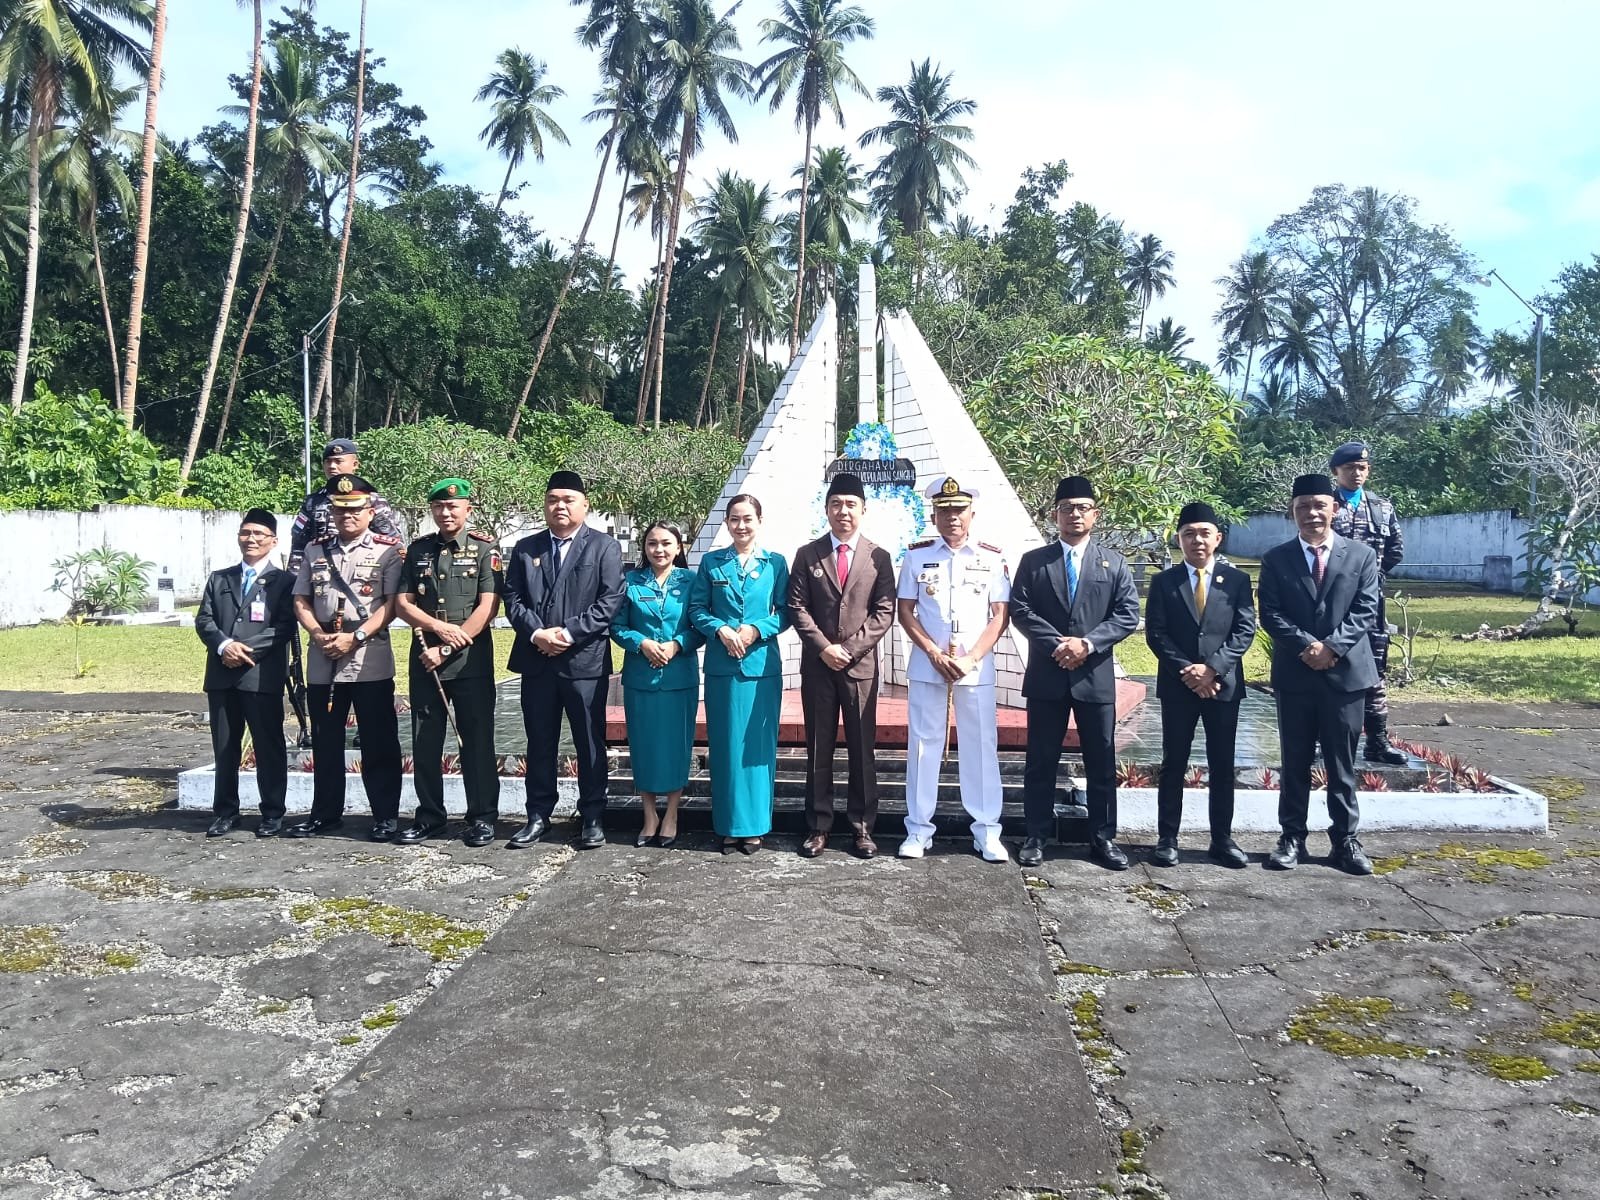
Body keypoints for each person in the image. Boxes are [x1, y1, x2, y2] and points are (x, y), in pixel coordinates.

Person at [1010, 476, 1140, 870]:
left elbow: (1127, 614)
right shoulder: (1035, 561)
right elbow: (1020, 609)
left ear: (1095, 515)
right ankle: (1035, 835)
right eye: (1067, 508)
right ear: (1055, 515)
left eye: (1083, 508)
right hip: (1048, 676)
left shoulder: (1113, 563)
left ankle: (1102, 838)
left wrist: (1086, 643)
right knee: (1041, 759)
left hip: (1094, 677)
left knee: (1100, 759)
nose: (1075, 514)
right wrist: (1058, 644)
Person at [1258, 473, 1382, 876]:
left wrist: (1332, 647)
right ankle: (1291, 836)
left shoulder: (1362, 555)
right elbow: (1271, 613)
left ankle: (1345, 840)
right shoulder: (1276, 559)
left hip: (1345, 676)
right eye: (1302, 507)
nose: (1311, 514)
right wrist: (1306, 646)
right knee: (1294, 761)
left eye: (1318, 505)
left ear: (1335, 508)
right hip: (1296, 676)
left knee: (1341, 763)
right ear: (1291, 512)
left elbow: (1366, 609)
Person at [504, 470, 625, 850]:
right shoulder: (526, 548)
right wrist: (538, 633)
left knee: (590, 742)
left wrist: (568, 633)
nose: (560, 506)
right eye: (553, 499)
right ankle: (538, 815)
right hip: (538, 659)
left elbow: (610, 601)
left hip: (583, 663)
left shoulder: (603, 547)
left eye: (569, 499)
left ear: (584, 504)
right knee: (540, 741)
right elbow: (513, 599)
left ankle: (592, 815)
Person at [895, 476, 1013, 862]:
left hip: (973, 668)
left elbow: (999, 616)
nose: (952, 518)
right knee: (924, 747)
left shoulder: (991, 558)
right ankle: (918, 829)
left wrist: (970, 657)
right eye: (944, 511)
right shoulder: (916, 556)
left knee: (981, 747)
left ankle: (986, 830)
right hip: (929, 666)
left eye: (959, 510)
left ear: (972, 514)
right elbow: (906, 611)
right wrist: (931, 651)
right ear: (933, 514)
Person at [287, 474, 405, 841]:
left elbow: (392, 605)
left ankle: (385, 816)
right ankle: (325, 813)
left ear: (370, 512)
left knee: (378, 741)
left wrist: (354, 636)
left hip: (368, 655)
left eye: (354, 510)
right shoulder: (314, 550)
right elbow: (300, 599)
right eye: (340, 511)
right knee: (324, 740)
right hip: (324, 656)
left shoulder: (387, 551)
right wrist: (319, 634)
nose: (347, 517)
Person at [786, 472, 897, 858]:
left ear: (863, 509)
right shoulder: (808, 553)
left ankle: (863, 827)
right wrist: (823, 648)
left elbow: (884, 611)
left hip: (859, 668)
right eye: (837, 504)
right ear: (827, 509)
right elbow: (796, 607)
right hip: (819, 668)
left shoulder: (878, 557)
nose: (843, 511)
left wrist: (849, 649)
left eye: (851, 504)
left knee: (861, 749)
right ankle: (818, 826)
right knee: (818, 747)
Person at [1142, 502, 1256, 868]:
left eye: (1204, 533)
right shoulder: (1164, 582)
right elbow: (1156, 634)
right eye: (1188, 533)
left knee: (1222, 764)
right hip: (1179, 687)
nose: (1197, 540)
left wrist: (1213, 670)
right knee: (1174, 762)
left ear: (1218, 538)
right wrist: (1189, 672)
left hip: (1222, 686)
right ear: (1179, 539)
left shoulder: (1237, 581)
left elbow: (1244, 630)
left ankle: (1222, 839)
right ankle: (1167, 838)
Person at [393, 479, 503, 849]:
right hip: (425, 658)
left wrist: (450, 644)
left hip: (470, 662)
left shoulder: (485, 548)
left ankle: (483, 818)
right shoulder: (419, 549)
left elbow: (488, 607)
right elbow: (403, 604)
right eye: (439, 506)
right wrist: (439, 628)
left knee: (477, 743)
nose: (447, 512)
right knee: (425, 742)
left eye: (454, 507)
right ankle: (429, 817)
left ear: (468, 510)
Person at [690, 494, 791, 855]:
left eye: (748, 519)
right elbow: (697, 609)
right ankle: (729, 826)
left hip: (761, 667)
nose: (741, 525)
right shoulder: (712, 562)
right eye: (735, 519)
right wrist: (719, 629)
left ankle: (756, 826)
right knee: (726, 746)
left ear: (759, 521)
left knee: (757, 748)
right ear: (728, 522)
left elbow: (785, 613)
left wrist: (755, 630)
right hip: (722, 668)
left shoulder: (775, 563)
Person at [195, 509, 297, 838]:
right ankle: (226, 812)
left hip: (261, 675)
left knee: (269, 746)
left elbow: (282, 627)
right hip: (222, 675)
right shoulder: (220, 578)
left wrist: (244, 650)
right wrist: (224, 646)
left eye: (259, 534)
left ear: (273, 541)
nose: (251, 539)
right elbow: (204, 620)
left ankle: (272, 812)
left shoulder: (285, 582)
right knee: (225, 747)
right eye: (245, 533)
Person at [611, 520, 703, 848]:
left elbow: (700, 624)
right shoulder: (630, 581)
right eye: (652, 543)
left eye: (666, 543)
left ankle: (673, 813)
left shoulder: (692, 581)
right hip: (641, 677)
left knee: (678, 745)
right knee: (644, 746)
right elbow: (617, 626)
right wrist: (641, 643)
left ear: (679, 547)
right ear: (644, 547)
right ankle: (649, 813)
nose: (659, 550)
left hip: (680, 678)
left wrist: (677, 643)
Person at [1328, 441, 1408, 765]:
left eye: (1362, 468)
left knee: (1374, 674)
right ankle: (1325, 742)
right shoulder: (1325, 505)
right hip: (1332, 602)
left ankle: (1377, 743)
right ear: (1336, 472)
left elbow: (1395, 551)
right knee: (1330, 672)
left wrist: (1371, 580)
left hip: (1371, 605)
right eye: (1350, 468)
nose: (1356, 473)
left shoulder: (1382, 507)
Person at [286, 438, 405, 572]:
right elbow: (299, 544)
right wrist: (294, 578)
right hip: (320, 572)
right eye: (328, 461)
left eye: (338, 461)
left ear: (355, 464)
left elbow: (392, 541)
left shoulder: (372, 499)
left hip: (363, 571)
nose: (332, 466)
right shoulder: (313, 501)